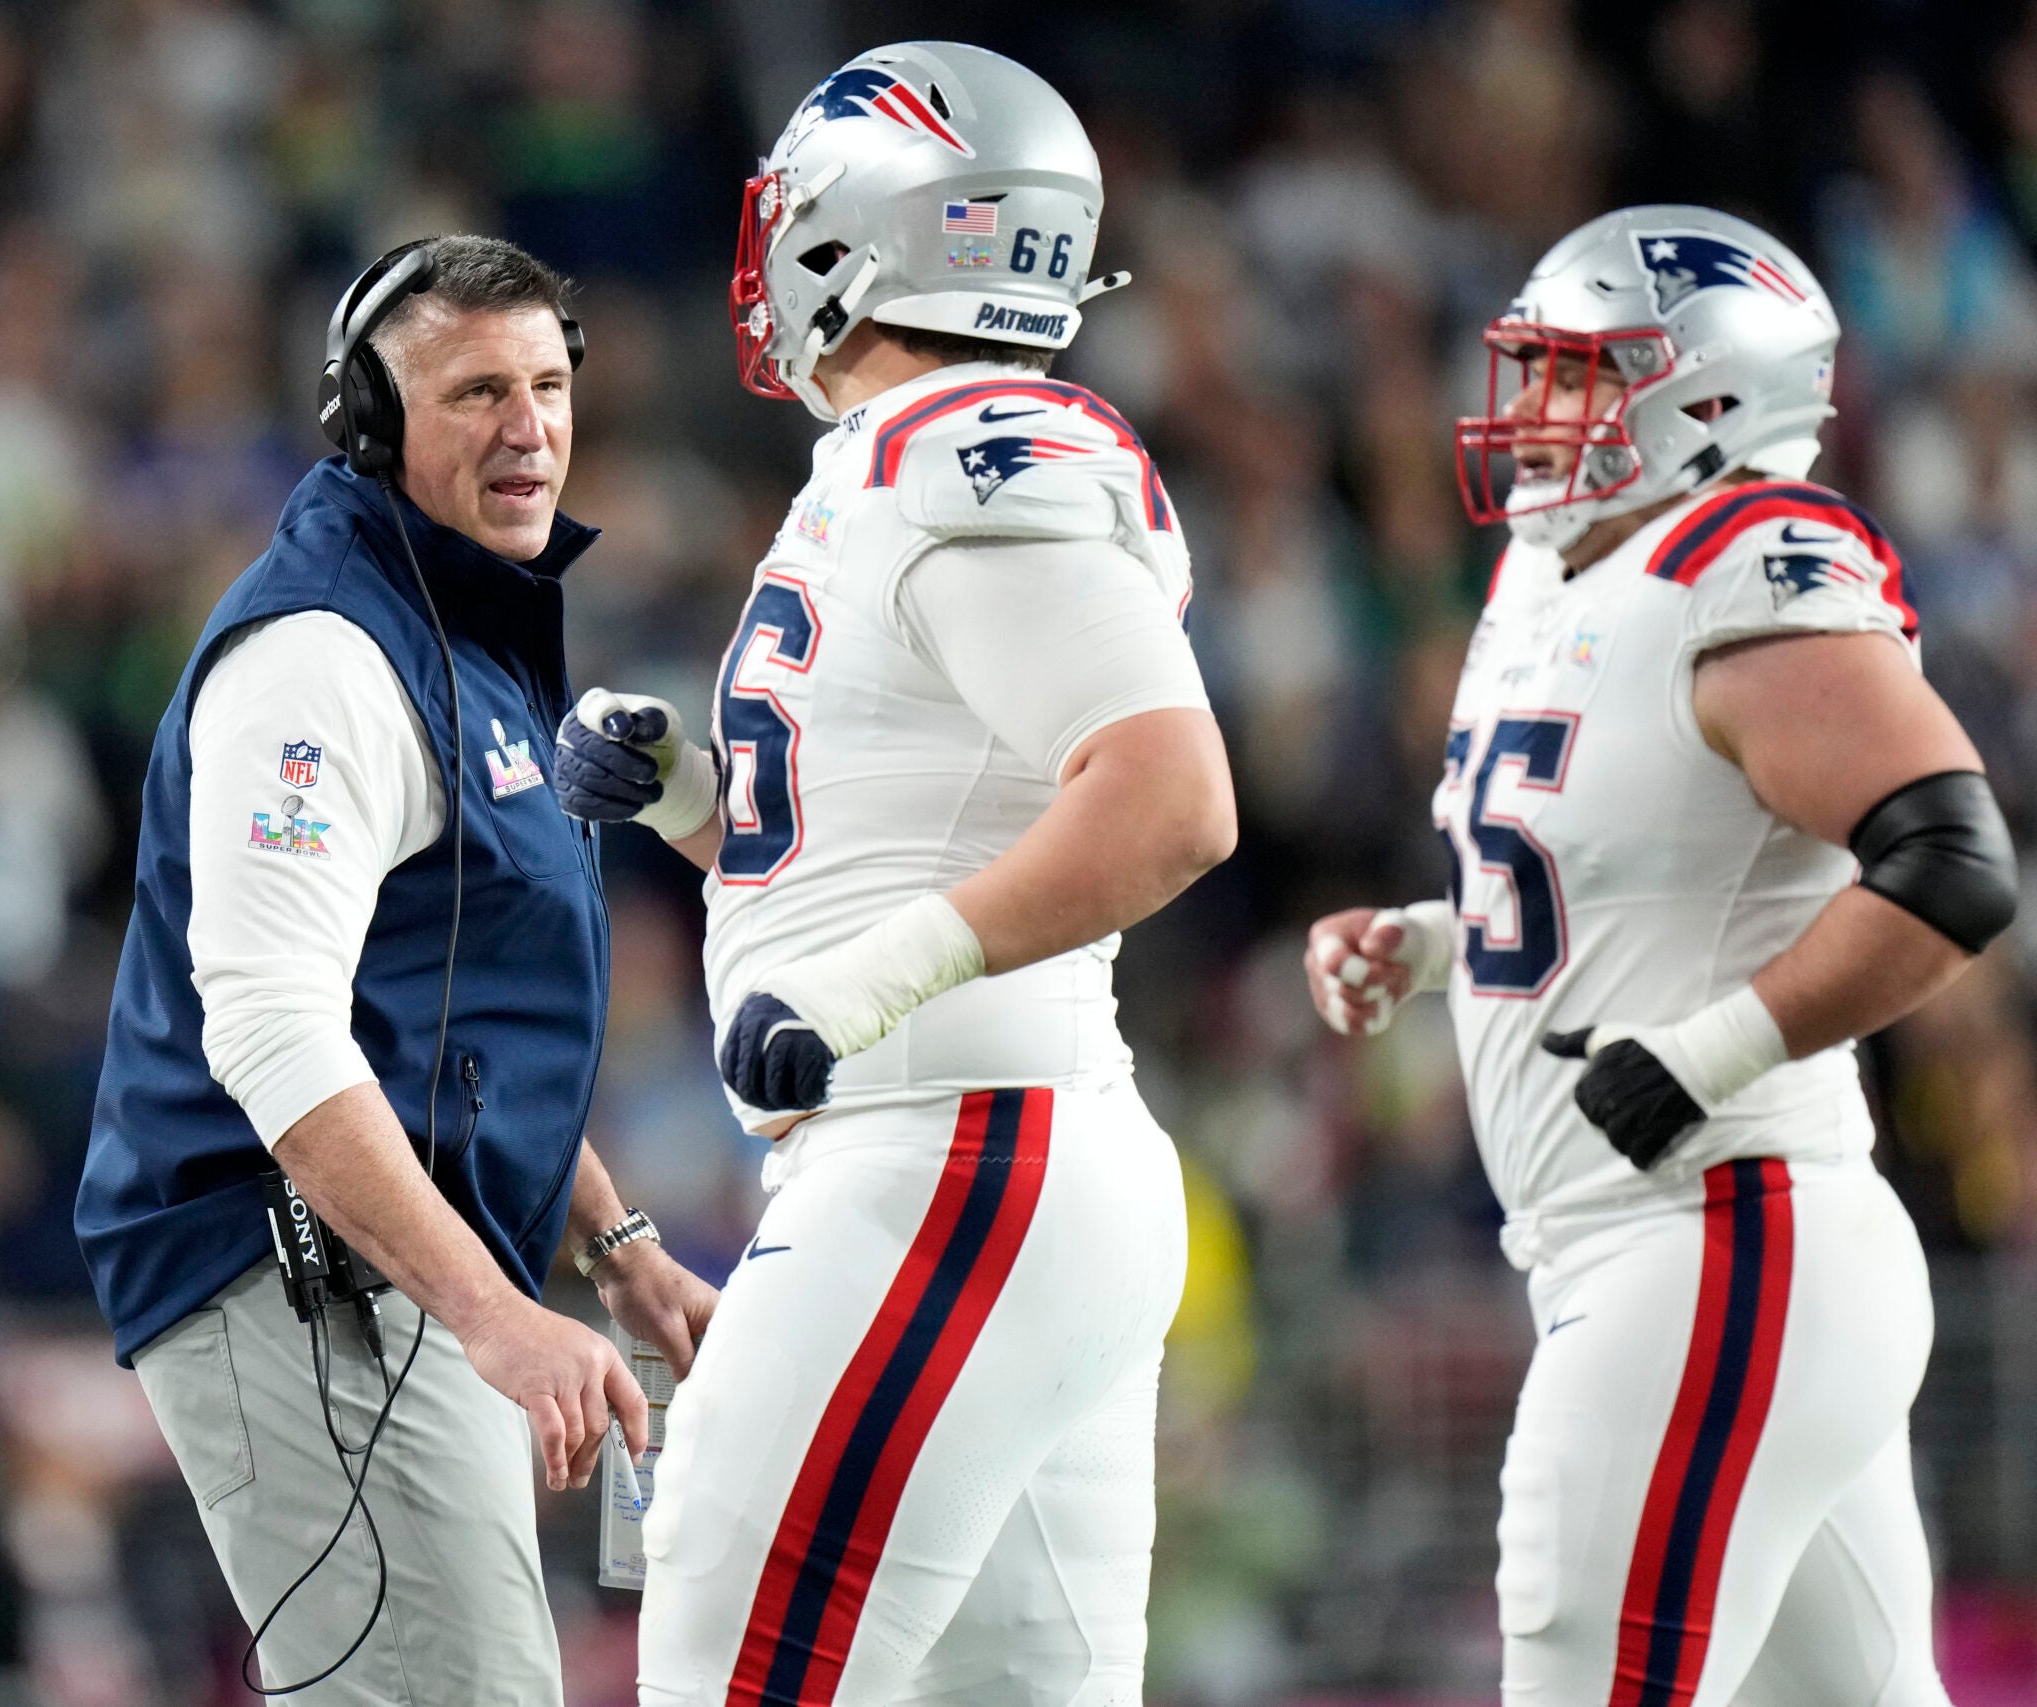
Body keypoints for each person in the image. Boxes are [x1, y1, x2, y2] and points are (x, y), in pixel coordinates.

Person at [555, 44, 1237, 1706]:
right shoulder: (899, 464)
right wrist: (689, 807)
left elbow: (1168, 798)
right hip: (986, 1159)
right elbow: (907, 828)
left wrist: (868, 983)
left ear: (862, 234)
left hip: (956, 1159)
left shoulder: (963, 448)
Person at [1305, 205, 2008, 1707]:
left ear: (1706, 397)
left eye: (1578, 375)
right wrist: (1428, 945)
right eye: (1539, 370)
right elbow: (1633, 887)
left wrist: (1713, 1053)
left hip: (1721, 1236)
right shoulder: (1556, 579)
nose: (1535, 409)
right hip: (1685, 1254)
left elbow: (1951, 866)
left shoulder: (1751, 556)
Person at [77, 234, 718, 1704]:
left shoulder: (468, 633)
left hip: (392, 1273)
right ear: (370, 426)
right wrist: (500, 1318)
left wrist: (607, 1244)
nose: (531, 426)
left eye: (550, 384)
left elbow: (448, 1023)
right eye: (476, 390)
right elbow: (276, 1035)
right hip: (295, 1281)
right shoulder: (320, 663)